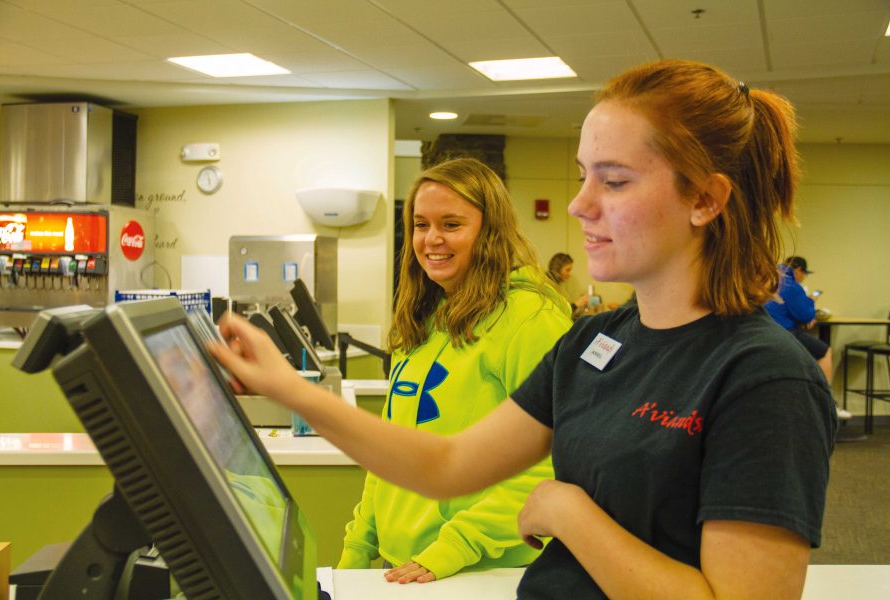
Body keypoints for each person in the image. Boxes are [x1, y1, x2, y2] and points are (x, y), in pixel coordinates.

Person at [211, 60, 837, 599]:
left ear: (705, 199)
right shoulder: (595, 343)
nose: (579, 203)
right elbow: (448, 464)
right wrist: (292, 391)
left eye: (613, 180)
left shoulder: (763, 376)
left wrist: (570, 513)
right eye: (584, 173)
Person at [355, 158, 577, 581]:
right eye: (421, 225)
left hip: (483, 570)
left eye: (452, 225)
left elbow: (555, 462)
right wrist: (357, 546)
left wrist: (455, 548)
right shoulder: (422, 316)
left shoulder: (531, 318)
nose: (432, 239)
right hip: (403, 566)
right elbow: (392, 451)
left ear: (490, 231)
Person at [765, 256, 851, 419]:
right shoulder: (790, 283)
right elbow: (805, 315)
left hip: (764, 331)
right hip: (782, 333)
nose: (803, 277)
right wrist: (810, 302)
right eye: (804, 274)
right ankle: (826, 402)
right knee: (825, 351)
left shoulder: (769, 277)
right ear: (798, 270)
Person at [546, 253, 589, 319]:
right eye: (567, 270)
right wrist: (576, 304)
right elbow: (558, 313)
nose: (569, 274)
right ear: (557, 269)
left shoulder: (555, 284)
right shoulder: (548, 286)